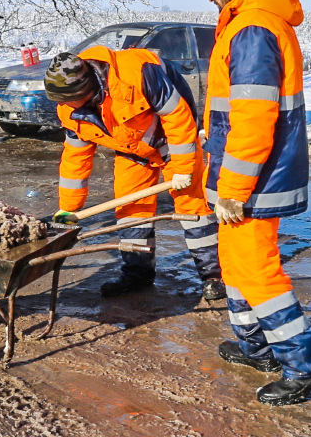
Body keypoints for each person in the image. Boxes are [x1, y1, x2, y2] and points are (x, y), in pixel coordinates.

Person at [199, 0, 311, 406]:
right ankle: (257, 346)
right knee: (234, 265)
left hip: (256, 180)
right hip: (246, 176)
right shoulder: (246, 22)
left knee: (257, 271)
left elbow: (253, 116)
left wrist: (232, 187)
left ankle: (307, 365)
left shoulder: (253, 27)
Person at [42, 45, 220, 300]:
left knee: (193, 206)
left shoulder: (138, 73)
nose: (63, 106)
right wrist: (69, 207)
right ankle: (138, 275)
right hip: (133, 150)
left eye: (67, 100)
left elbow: (178, 117)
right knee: (131, 211)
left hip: (173, 143)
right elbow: (75, 159)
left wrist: (183, 168)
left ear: (84, 90)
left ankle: (213, 276)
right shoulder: (70, 110)